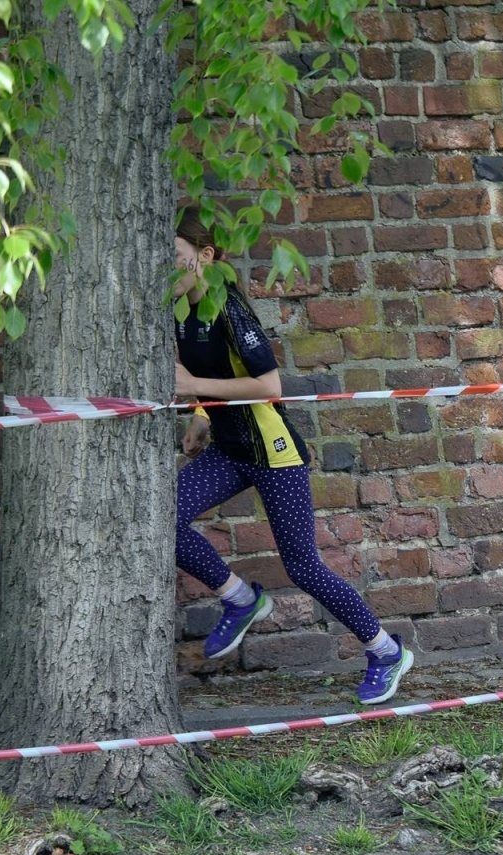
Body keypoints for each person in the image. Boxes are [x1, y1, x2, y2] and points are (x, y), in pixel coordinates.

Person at [170, 217, 414, 703]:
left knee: (303, 567)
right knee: (159, 519)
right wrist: (200, 413)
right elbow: (209, 376)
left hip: (273, 453)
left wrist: (195, 389)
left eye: (175, 257)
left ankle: (386, 652)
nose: (167, 269)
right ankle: (240, 599)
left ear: (207, 255)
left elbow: (268, 386)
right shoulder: (180, 312)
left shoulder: (231, 311)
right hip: (228, 450)